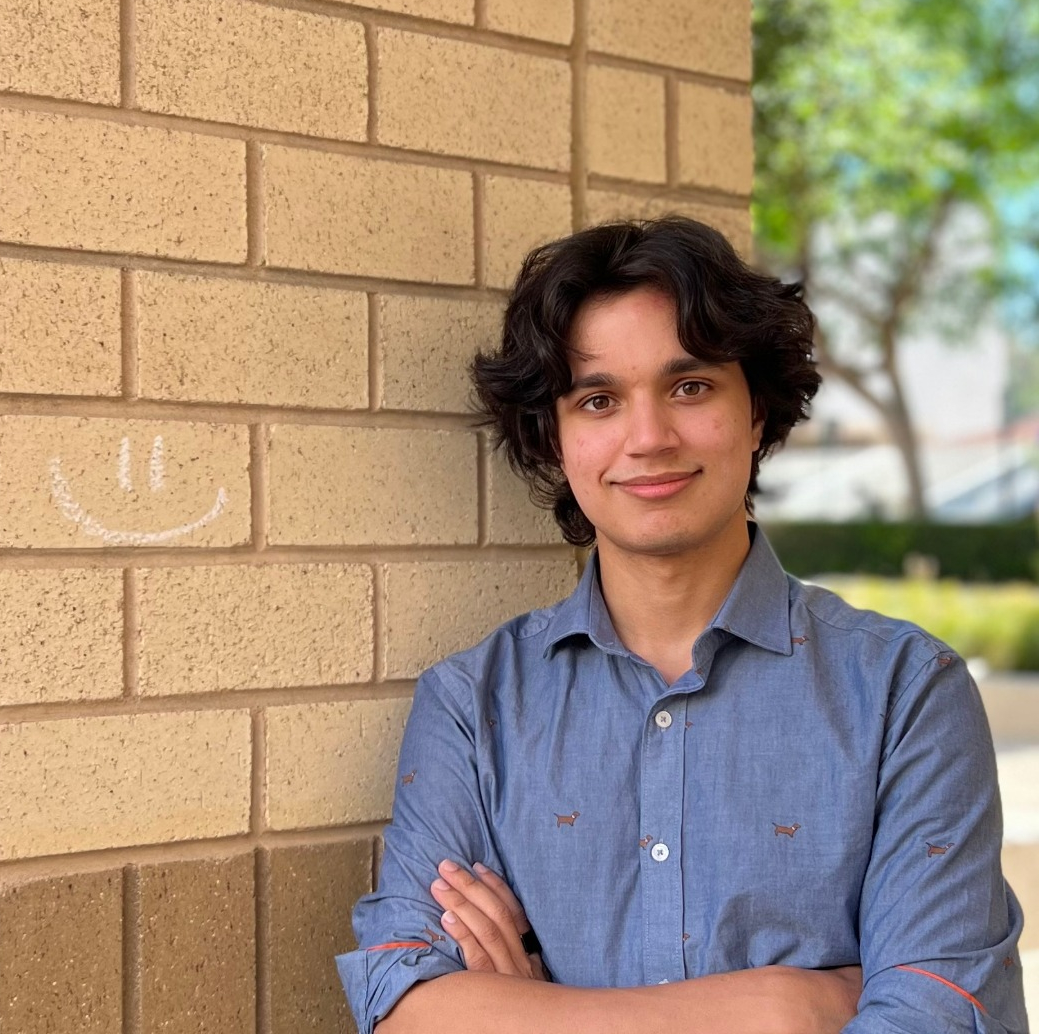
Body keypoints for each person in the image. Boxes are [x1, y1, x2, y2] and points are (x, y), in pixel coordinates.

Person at [336, 217, 1028, 1034]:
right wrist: (782, 1007)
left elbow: (934, 1017)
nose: (649, 437)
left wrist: (533, 1011)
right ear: (556, 442)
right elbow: (402, 1003)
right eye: (598, 400)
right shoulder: (472, 707)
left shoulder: (907, 693)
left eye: (690, 386)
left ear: (758, 411)